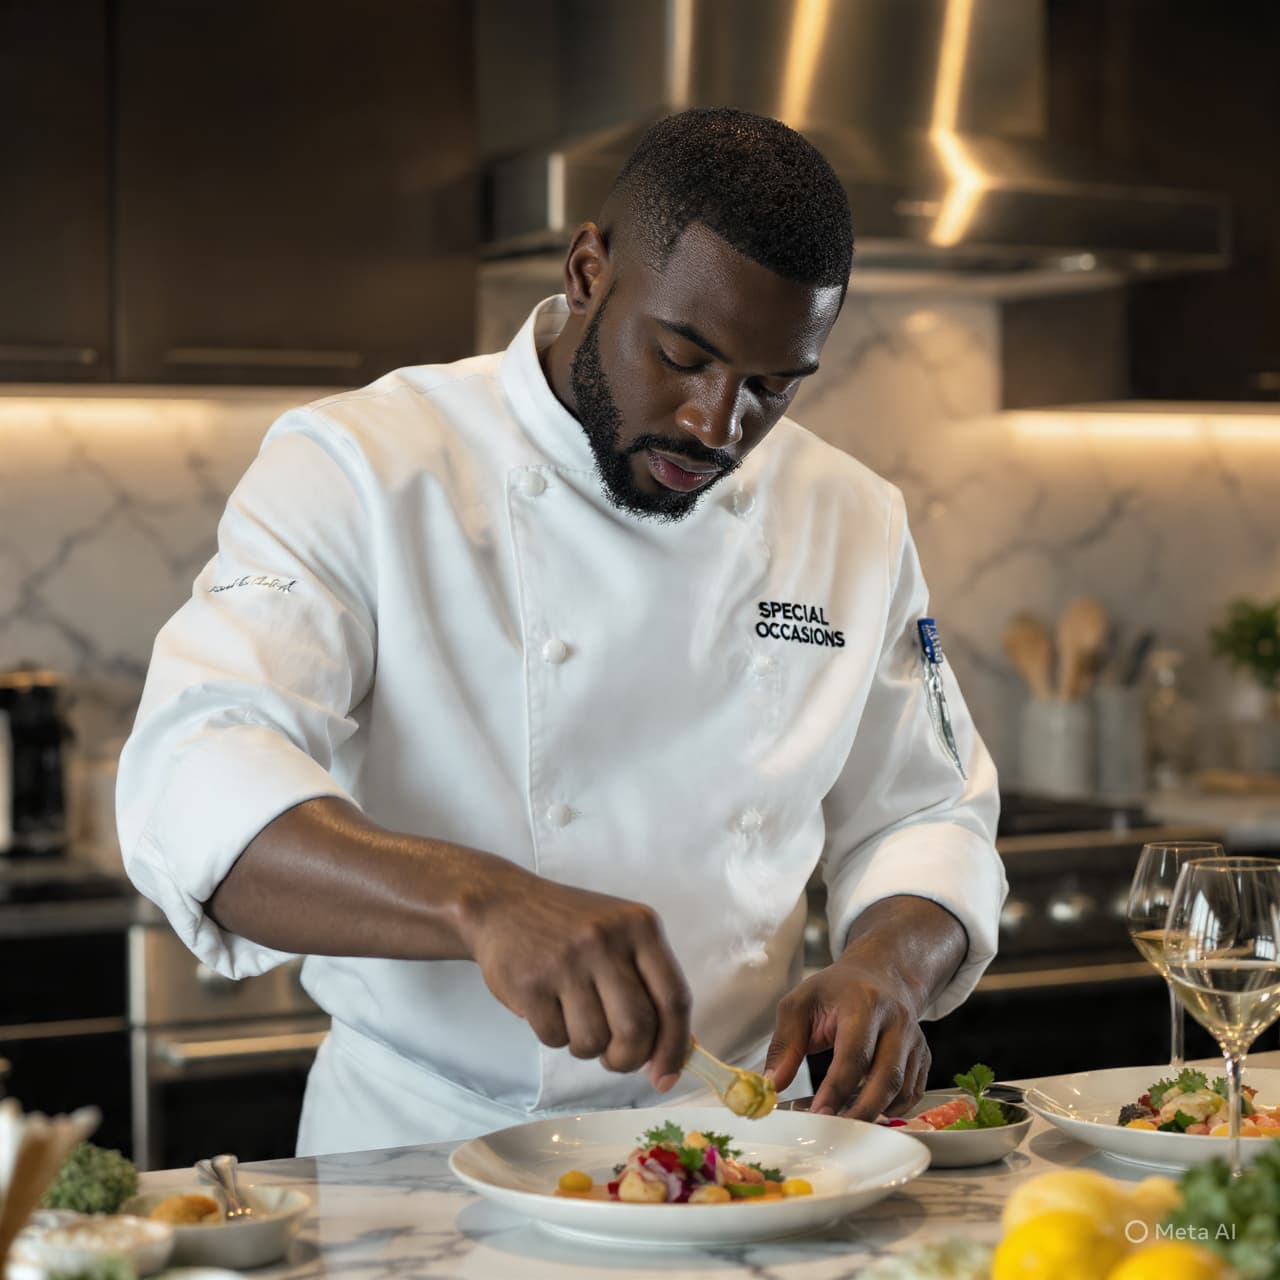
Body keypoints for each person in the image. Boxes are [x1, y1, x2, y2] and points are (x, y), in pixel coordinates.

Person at [117, 108, 1005, 1156]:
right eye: (682, 354)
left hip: (734, 1149)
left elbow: (927, 809)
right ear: (589, 267)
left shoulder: (849, 516)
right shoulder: (363, 465)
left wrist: (885, 964)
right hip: (421, 1150)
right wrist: (476, 898)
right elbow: (191, 774)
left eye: (770, 386)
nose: (716, 425)